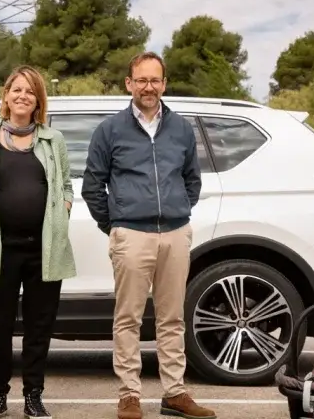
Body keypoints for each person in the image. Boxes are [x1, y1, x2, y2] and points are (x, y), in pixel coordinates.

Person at [81, 52, 216, 419]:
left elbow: (192, 180)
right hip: (132, 235)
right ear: (129, 84)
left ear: (164, 84)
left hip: (175, 234)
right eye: (141, 80)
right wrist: (117, 224)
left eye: (155, 80)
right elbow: (93, 186)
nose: (148, 86)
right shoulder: (110, 130)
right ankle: (129, 395)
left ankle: (175, 393)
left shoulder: (182, 129)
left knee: (172, 318)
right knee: (128, 319)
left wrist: (177, 211)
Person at [0, 65, 76, 419]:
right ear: (6, 95)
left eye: (31, 91)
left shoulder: (52, 141)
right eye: (17, 89)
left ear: (38, 100)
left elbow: (67, 187)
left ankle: (34, 396)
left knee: (39, 327)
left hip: (44, 249)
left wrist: (63, 211)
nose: (23, 96)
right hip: (2, 249)